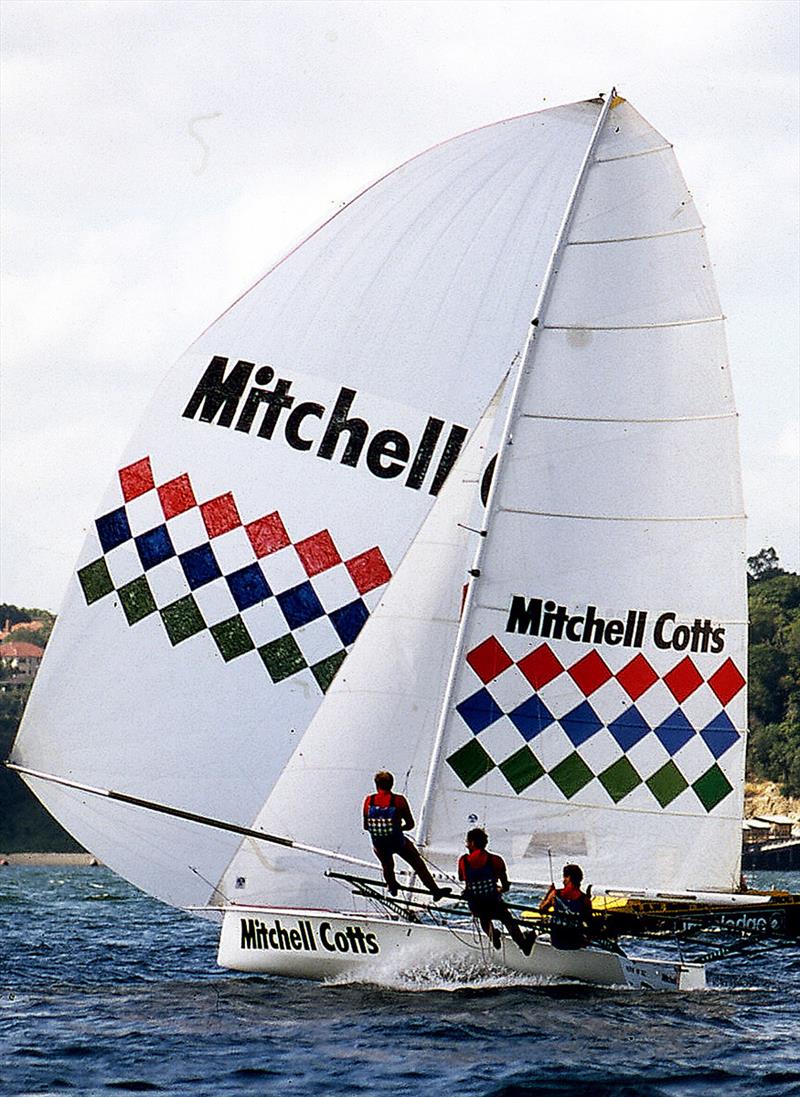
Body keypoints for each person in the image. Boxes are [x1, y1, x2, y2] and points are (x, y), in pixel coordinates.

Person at [363, 771, 451, 900]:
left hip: (379, 843)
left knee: (387, 865)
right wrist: (398, 829)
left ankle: (392, 886)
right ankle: (435, 891)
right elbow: (410, 824)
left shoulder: (368, 800)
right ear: (392, 784)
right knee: (418, 863)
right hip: (397, 841)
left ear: (376, 785)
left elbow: (366, 826)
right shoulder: (399, 800)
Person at [458, 828, 534, 955]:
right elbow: (505, 885)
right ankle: (523, 944)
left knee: (483, 918)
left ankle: (493, 936)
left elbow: (462, 878)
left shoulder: (463, 861)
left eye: (467, 842)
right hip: (493, 903)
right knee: (507, 919)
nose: (466, 845)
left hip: (476, 906)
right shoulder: (496, 860)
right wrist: (500, 889)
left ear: (472, 843)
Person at [538, 863, 593, 950]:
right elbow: (590, 922)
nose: (563, 880)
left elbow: (542, 909)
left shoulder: (555, 894)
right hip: (575, 943)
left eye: (564, 877)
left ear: (568, 878)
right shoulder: (585, 899)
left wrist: (549, 892)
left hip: (557, 941)